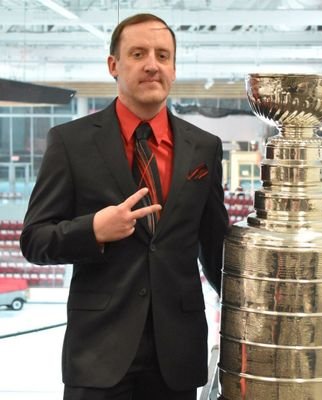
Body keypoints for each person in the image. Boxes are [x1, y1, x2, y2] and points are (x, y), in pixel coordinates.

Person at [20, 13, 228, 400]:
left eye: (163, 55)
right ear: (113, 65)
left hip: (177, 354)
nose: (152, 64)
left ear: (174, 67)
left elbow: (215, 246)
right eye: (138, 53)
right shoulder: (70, 142)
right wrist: (93, 230)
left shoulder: (205, 147)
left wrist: (247, 313)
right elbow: (34, 240)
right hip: (98, 353)